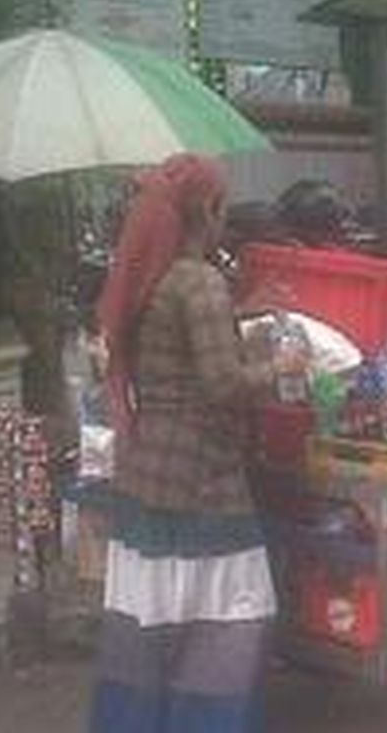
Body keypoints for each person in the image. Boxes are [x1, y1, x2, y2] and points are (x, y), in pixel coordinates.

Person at [90, 154, 277, 733]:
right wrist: (281, 365)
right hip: (204, 484)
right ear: (211, 212)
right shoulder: (199, 279)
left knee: (145, 631)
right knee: (228, 625)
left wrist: (242, 312)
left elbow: (173, 351)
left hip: (146, 476)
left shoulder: (153, 275)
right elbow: (223, 386)